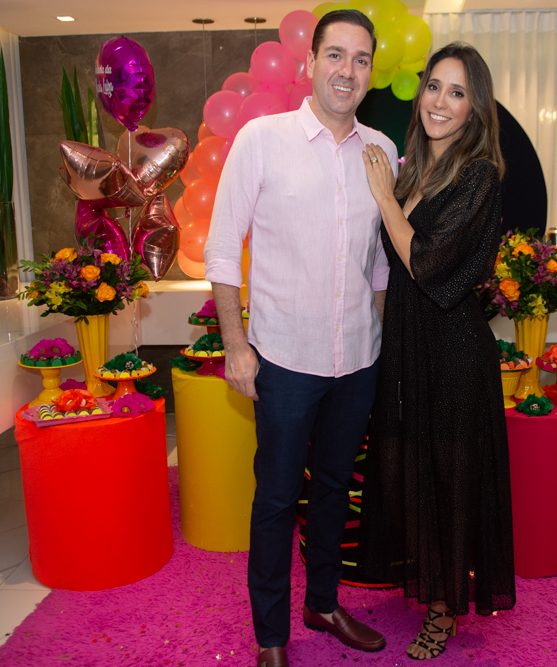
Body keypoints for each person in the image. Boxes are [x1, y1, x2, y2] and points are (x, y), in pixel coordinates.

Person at [203, 10, 399, 667]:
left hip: (358, 358)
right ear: (310, 63)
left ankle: (323, 603)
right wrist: (236, 345)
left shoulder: (381, 151)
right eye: (335, 55)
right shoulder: (262, 139)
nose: (348, 70)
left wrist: (379, 337)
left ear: (371, 72)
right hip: (284, 359)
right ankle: (271, 637)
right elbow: (223, 248)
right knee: (277, 499)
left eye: (361, 59)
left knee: (336, 488)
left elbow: (377, 261)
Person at [358, 42, 516, 660]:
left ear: (475, 107)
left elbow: (424, 263)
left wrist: (383, 197)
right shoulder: (417, 170)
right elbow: (389, 267)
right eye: (433, 87)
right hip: (407, 346)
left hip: (452, 354)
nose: (440, 103)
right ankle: (430, 586)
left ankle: (445, 609)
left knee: (448, 481)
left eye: (457, 92)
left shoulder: (478, 176)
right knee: (411, 471)